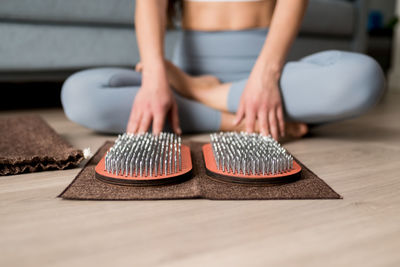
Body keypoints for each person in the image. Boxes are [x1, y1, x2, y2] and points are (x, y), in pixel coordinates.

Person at [61, 0, 385, 141]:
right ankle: (243, 123)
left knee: (365, 78)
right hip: (188, 71)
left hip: (263, 79)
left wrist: (266, 76)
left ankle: (204, 94)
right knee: (79, 94)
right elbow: (150, 3)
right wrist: (155, 75)